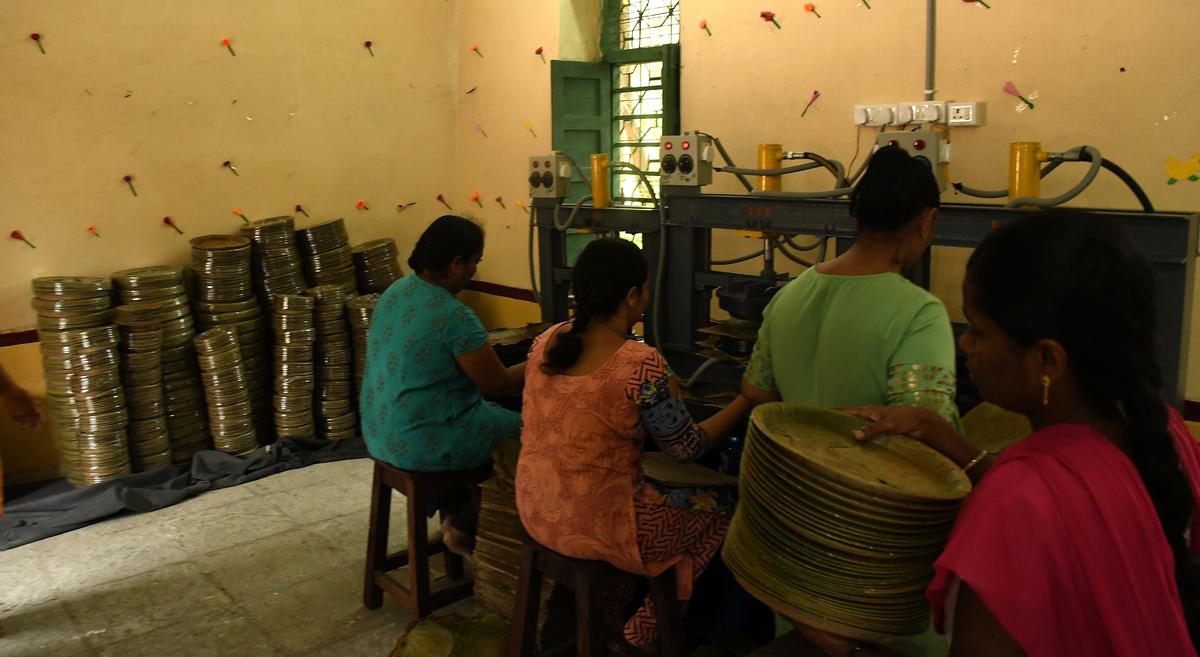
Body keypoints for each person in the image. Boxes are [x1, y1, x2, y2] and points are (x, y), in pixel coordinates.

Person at [835, 211, 1200, 656]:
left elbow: (1035, 510)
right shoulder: (1161, 430)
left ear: (1047, 361)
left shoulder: (1016, 502)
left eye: (978, 331)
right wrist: (938, 432)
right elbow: (1073, 508)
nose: (965, 346)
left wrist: (846, 649)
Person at [737, 145, 962, 653]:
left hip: (797, 536)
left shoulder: (790, 296)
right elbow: (923, 431)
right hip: (874, 560)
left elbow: (756, 390)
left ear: (856, 216)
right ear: (926, 222)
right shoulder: (918, 313)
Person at [516, 238, 753, 653]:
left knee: (648, 495)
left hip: (537, 512)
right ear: (630, 296)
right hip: (599, 529)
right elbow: (686, 447)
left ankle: (605, 616)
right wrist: (746, 399)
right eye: (644, 291)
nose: (645, 300)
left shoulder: (546, 342)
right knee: (723, 508)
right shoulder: (640, 365)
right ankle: (640, 636)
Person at [359, 215, 524, 554]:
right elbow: (497, 384)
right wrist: (543, 358)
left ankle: (455, 512)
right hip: (420, 443)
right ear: (456, 263)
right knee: (533, 433)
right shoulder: (454, 315)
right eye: (475, 262)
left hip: (379, 432)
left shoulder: (397, 290)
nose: (475, 271)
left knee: (476, 414)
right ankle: (466, 521)